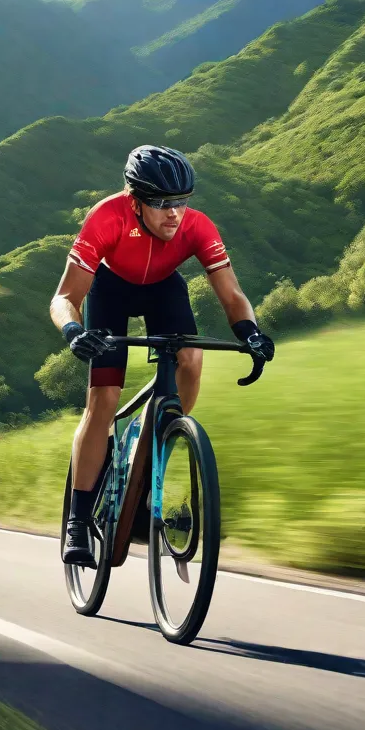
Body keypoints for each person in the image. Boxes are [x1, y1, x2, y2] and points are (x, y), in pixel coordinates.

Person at [49, 145, 274, 565]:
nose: (174, 214)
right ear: (135, 199)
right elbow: (63, 298)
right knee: (104, 400)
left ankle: (159, 448)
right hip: (110, 292)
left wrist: (252, 333)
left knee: (191, 358)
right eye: (161, 203)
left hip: (163, 291)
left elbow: (232, 294)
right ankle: (78, 522)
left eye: (182, 202)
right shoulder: (107, 217)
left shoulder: (198, 226)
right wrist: (74, 331)